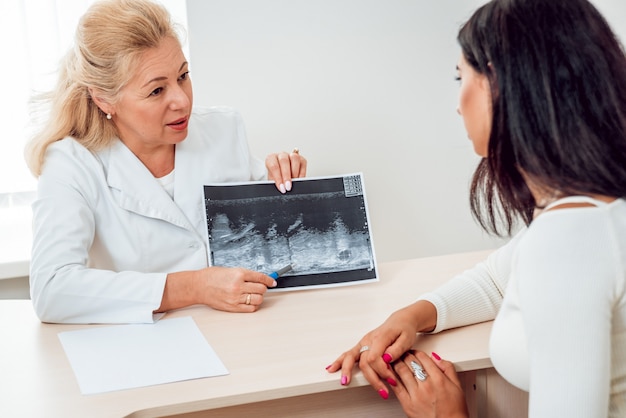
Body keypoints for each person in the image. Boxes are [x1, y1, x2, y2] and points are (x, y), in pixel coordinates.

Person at [327, 0, 626, 416]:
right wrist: (412, 317)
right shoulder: (594, 210)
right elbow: (499, 279)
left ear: (505, 86)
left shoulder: (567, 240)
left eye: (460, 75)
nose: (457, 102)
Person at [25, 0, 307, 324]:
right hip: (141, 349)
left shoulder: (222, 129)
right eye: (157, 90)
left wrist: (286, 179)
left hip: (239, 330)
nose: (182, 100)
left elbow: (265, 237)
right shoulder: (71, 164)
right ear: (104, 98)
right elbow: (52, 290)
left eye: (183, 76)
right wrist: (192, 287)